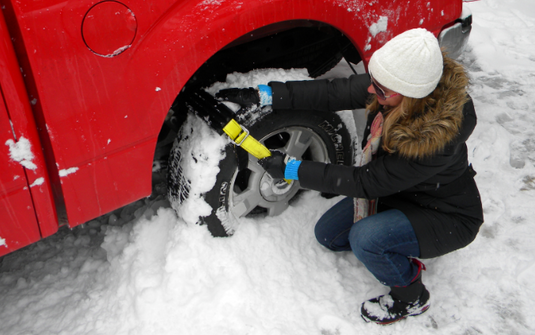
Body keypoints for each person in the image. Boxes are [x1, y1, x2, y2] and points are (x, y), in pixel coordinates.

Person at [216, 28, 484, 325]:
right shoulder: (392, 88)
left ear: (411, 96)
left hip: (445, 214)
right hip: (397, 191)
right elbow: (335, 92)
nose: (371, 91)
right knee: (329, 236)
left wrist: (292, 169)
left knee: (365, 239)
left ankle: (411, 295)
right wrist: (266, 95)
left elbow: (363, 182)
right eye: (374, 81)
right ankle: (394, 237)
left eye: (381, 90)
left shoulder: (433, 143)